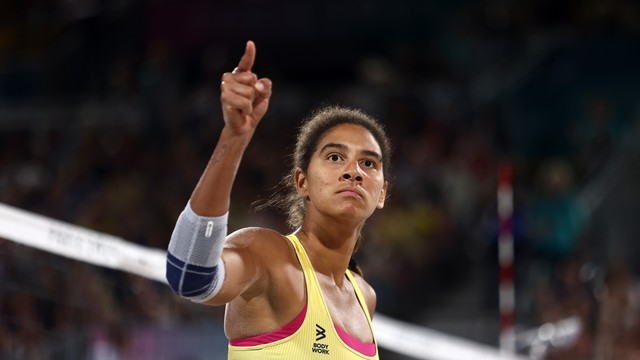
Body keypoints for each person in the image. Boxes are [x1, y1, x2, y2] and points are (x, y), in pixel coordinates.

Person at [166, 40, 391, 359]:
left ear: (382, 193)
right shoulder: (269, 257)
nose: (353, 171)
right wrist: (234, 138)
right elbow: (189, 276)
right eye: (335, 157)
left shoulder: (364, 296)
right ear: (302, 182)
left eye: (368, 163)